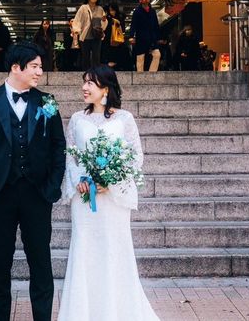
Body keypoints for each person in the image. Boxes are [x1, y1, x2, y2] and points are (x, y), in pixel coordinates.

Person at [0, 42, 66, 321]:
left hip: (38, 194)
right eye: (34, 66)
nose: (40, 72)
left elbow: (58, 145)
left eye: (40, 67)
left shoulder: (47, 102)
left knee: (41, 264)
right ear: (15, 67)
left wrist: (53, 184)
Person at [59, 65, 159, 321]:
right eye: (84, 82)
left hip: (113, 200)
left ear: (105, 88)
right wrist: (79, 181)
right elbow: (70, 156)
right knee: (85, 251)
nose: (84, 87)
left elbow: (135, 156)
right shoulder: (77, 119)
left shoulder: (124, 119)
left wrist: (112, 181)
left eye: (90, 83)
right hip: (85, 200)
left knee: (115, 250)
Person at [73, 0, 107, 71]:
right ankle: (86, 73)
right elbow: (77, 19)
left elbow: (104, 24)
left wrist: (104, 21)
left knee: (96, 56)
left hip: (97, 35)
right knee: (85, 57)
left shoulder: (100, 8)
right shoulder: (83, 8)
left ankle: (96, 73)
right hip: (86, 36)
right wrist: (77, 30)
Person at [129, 0, 161, 73]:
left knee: (157, 54)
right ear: (140, 0)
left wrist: (159, 37)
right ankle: (140, 75)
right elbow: (133, 24)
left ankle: (152, 73)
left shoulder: (152, 11)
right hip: (141, 37)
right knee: (140, 57)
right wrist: (131, 36)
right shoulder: (137, 11)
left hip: (152, 37)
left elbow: (156, 25)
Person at [101, 3, 130, 70]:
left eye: (113, 10)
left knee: (120, 52)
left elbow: (122, 29)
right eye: (110, 10)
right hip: (108, 40)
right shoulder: (107, 19)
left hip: (117, 39)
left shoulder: (119, 18)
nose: (111, 12)